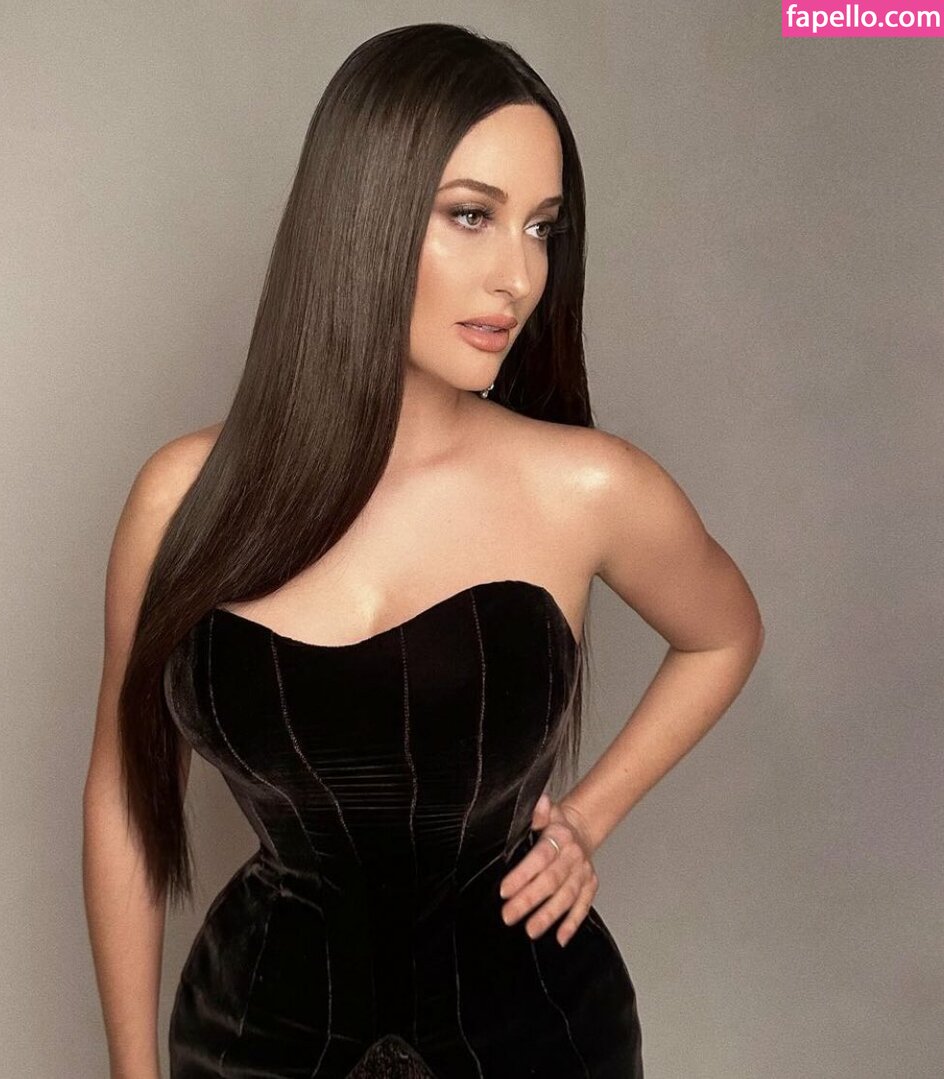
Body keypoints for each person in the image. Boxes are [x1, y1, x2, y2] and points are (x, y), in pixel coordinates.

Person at [82, 22, 764, 1079]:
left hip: (536, 1038)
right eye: (471, 216)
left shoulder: (587, 486)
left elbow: (724, 633)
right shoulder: (181, 499)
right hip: (250, 1038)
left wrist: (587, 818)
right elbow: (128, 798)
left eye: (542, 228)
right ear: (361, 213)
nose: (518, 277)